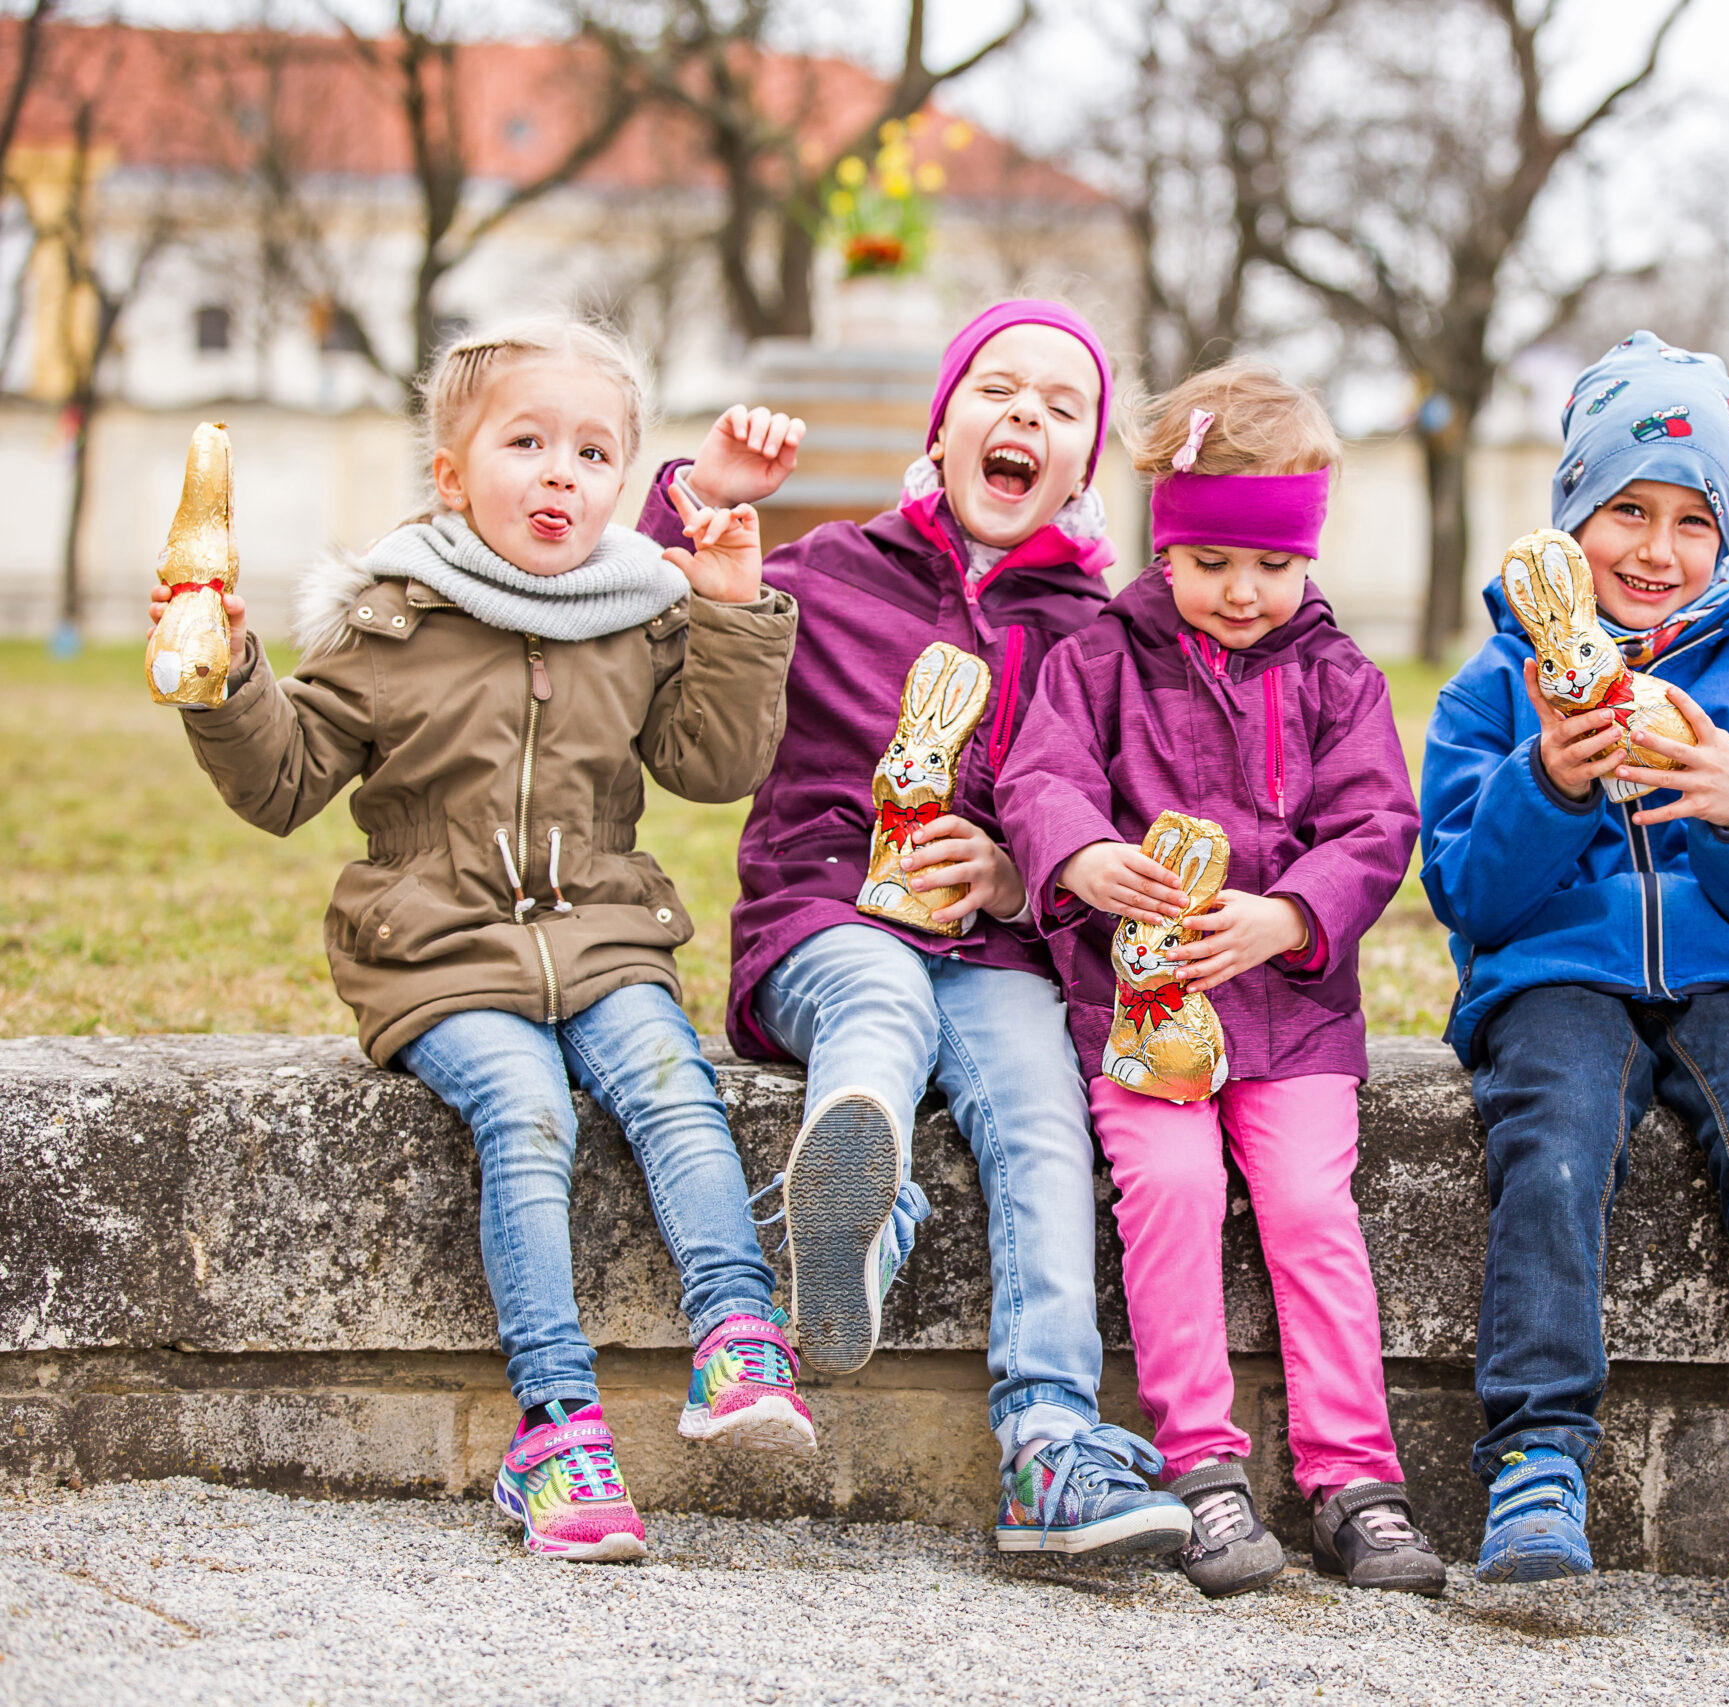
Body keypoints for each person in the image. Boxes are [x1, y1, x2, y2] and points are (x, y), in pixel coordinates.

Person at [157, 318, 806, 1561]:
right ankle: (555, 1428)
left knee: (675, 1090)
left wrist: (729, 610)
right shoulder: (391, 621)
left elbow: (713, 766)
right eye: (526, 443)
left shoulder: (642, 612)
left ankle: (738, 1336)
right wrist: (228, 675)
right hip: (439, 950)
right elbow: (284, 781)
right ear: (450, 474)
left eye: (592, 451)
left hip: (604, 939)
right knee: (526, 1110)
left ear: (624, 480)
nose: (561, 473)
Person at [645, 300, 1191, 1557]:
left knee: (1047, 1114)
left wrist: (1014, 876)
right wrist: (695, 491)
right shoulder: (830, 569)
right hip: (825, 915)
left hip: (997, 948)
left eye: (1063, 410)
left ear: (1084, 466)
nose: (1026, 419)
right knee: (877, 998)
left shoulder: (1092, 634)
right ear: (940, 427)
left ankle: (1048, 1441)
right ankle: (861, 1225)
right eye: (998, 390)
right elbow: (658, 599)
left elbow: (1104, 816)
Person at [1418, 332, 1729, 1613]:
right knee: (1550, 1137)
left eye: (1688, 519)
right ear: (1572, 516)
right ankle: (1536, 1460)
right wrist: (1548, 779)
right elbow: (1467, 894)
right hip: (1554, 971)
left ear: (1724, 535)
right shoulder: (1497, 681)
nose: (1655, 550)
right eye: (1624, 511)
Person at [998, 364, 1446, 1599]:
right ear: (1167, 544)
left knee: (1310, 1206)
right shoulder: (1100, 658)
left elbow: (1374, 827)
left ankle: (1354, 1476)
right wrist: (1083, 858)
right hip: (1139, 1010)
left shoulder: (1336, 676)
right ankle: (1198, 1464)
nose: (1241, 592)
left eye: (1271, 566)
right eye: (1209, 561)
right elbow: (1039, 781)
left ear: (1307, 558)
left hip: (1292, 1012)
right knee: (1172, 1186)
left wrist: (1287, 914)